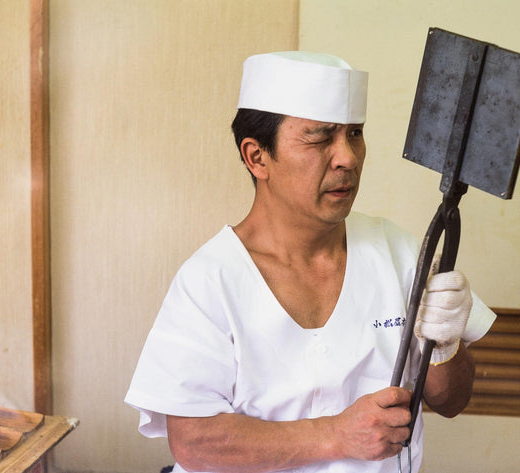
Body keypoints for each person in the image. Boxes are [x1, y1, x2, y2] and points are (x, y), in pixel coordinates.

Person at [125, 51, 496, 473]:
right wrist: (337, 434)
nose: (348, 158)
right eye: (320, 138)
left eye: (354, 134)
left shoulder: (400, 254)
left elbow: (452, 401)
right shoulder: (211, 279)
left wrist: (445, 347)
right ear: (257, 157)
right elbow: (193, 443)